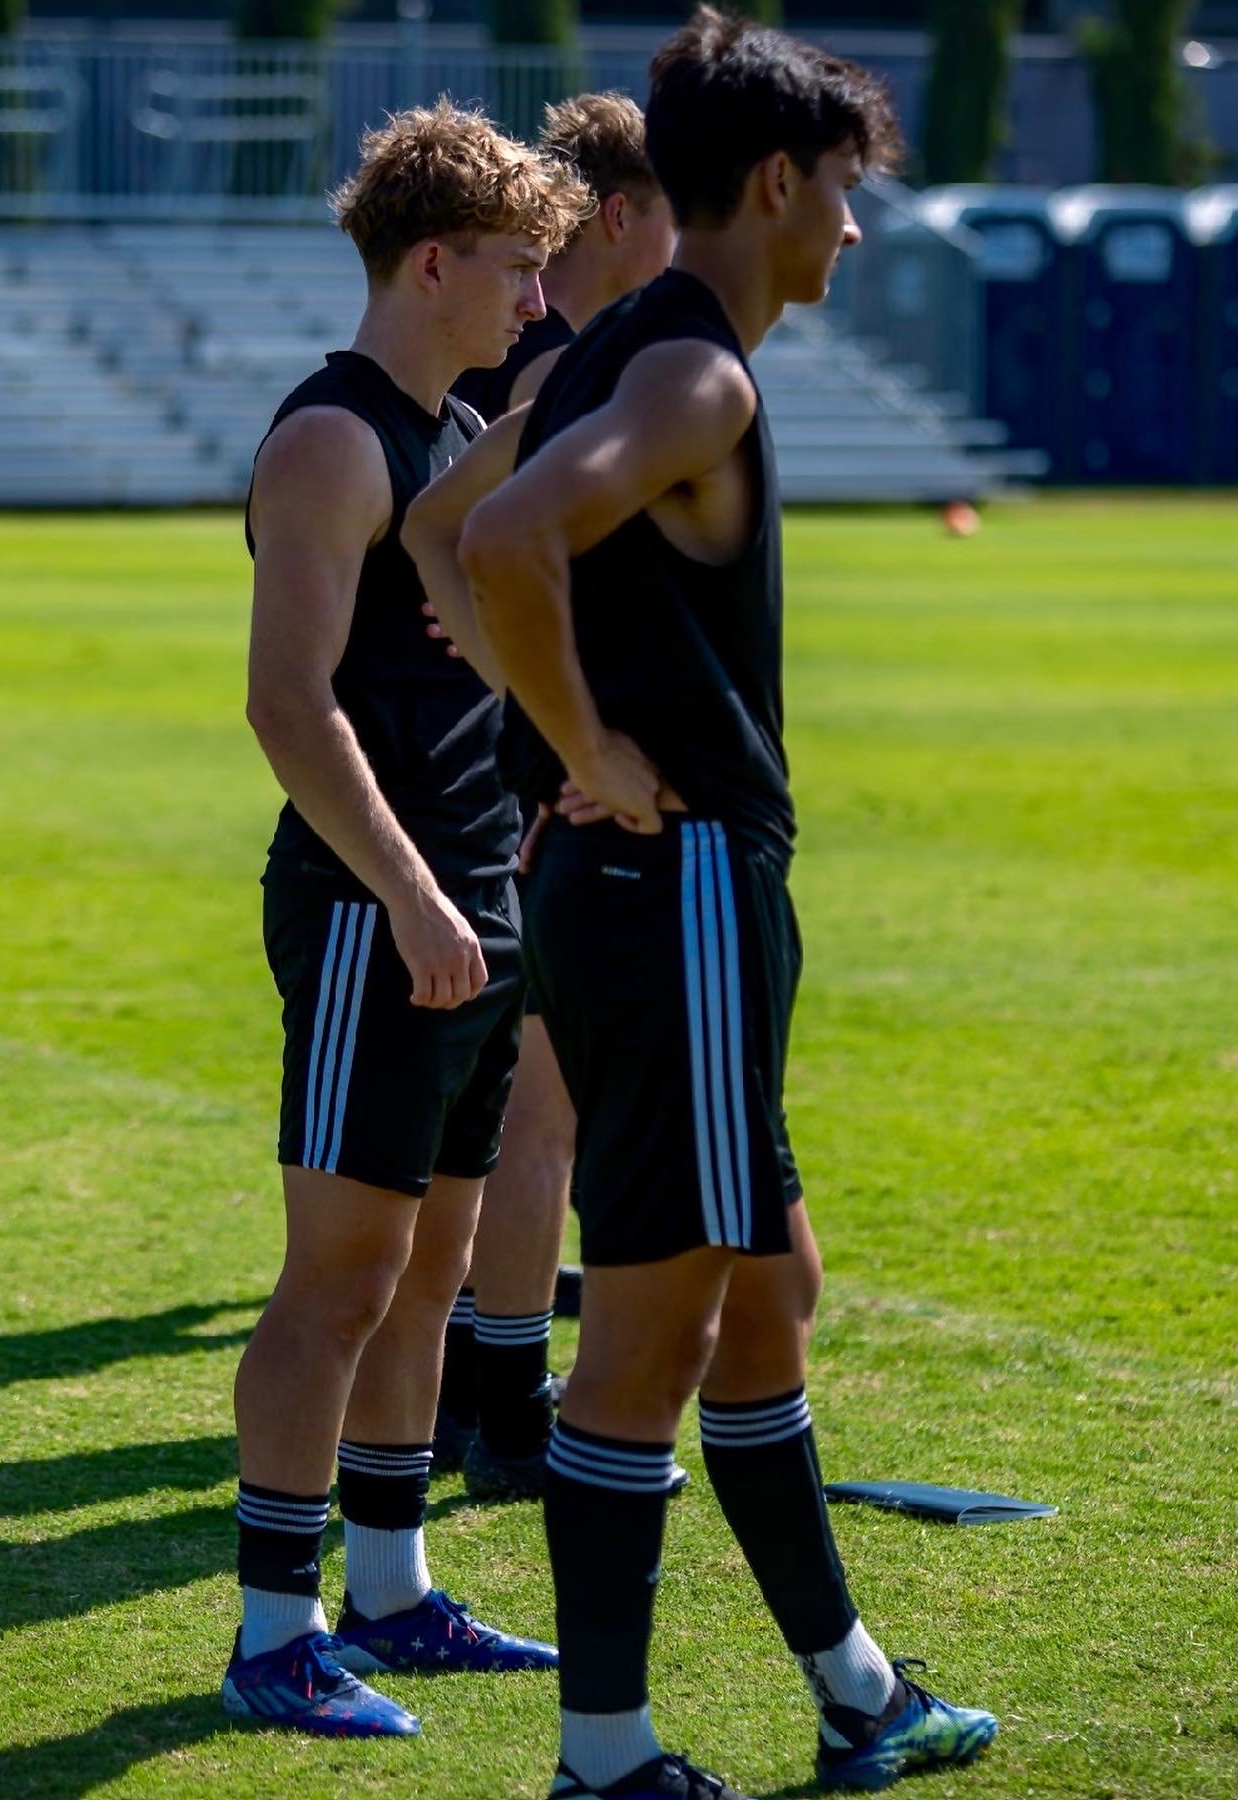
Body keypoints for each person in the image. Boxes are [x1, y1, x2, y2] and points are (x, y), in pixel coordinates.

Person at [409, 13, 1000, 1795]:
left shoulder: (623, 349)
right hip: (679, 895)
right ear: (773, 182)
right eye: (843, 195)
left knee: (771, 1288)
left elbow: (453, 531)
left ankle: (855, 1691)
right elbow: (497, 550)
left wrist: (570, 759)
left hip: (644, 896)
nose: (854, 231)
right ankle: (608, 1761)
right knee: (659, 1330)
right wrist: (586, 746)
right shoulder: (696, 375)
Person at [224, 99, 590, 1739]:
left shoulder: (451, 441)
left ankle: (392, 1590)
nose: (534, 305)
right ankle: (270, 1635)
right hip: (385, 912)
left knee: (432, 1268)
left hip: (476, 907)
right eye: (518, 273)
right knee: (341, 1281)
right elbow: (292, 709)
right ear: (430, 261)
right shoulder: (334, 439)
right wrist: (421, 894)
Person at [431, 92, 679, 1504]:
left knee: (509, 1116)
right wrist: (552, 736)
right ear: (626, 214)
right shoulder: (567, 365)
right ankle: (511, 1417)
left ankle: (475, 1384)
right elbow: (446, 537)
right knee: (543, 1113)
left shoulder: (528, 347)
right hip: (527, 785)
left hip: (496, 772)